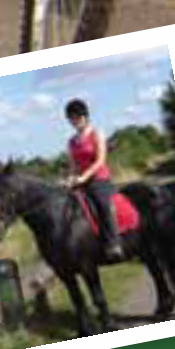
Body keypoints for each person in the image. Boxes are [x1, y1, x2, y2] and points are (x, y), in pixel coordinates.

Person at [64, 100, 122, 259]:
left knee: (102, 203)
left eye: (77, 117)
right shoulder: (71, 142)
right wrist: (70, 179)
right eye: (71, 119)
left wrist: (84, 177)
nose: (74, 121)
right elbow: (73, 166)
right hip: (81, 181)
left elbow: (100, 160)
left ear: (85, 116)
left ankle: (114, 243)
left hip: (99, 179)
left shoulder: (97, 134)